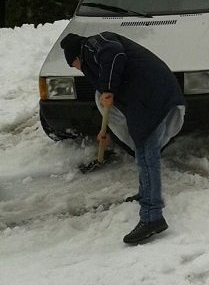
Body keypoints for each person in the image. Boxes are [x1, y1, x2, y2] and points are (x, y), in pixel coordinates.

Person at [60, 31, 185, 245]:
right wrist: (105, 132)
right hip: (147, 96)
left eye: (74, 65)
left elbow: (114, 54)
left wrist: (108, 88)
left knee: (148, 154)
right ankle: (145, 193)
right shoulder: (94, 56)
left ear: (76, 58)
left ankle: (152, 216)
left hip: (152, 96)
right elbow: (110, 99)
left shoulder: (93, 44)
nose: (78, 70)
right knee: (143, 150)